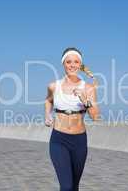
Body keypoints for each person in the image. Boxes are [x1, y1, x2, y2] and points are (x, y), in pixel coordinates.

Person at [45, 47, 100, 191]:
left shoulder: (88, 88)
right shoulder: (53, 86)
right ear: (63, 64)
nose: (72, 65)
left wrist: (85, 100)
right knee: (66, 186)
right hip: (59, 140)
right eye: (68, 62)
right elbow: (48, 101)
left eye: (76, 62)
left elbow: (95, 116)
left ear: (80, 65)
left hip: (79, 141)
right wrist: (47, 115)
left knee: (74, 186)